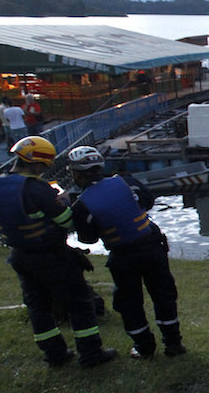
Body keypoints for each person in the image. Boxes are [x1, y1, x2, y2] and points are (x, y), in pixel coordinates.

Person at [0, 136, 117, 368]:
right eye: (44, 166)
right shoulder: (37, 189)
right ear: (37, 163)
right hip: (51, 255)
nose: (44, 171)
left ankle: (55, 354)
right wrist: (66, 202)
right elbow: (66, 222)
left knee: (37, 305)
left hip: (19, 255)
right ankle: (91, 354)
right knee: (80, 302)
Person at [68, 146, 185, 359]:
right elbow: (148, 201)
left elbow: (88, 238)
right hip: (152, 246)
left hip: (123, 256)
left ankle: (144, 347)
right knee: (164, 294)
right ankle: (173, 343)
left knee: (129, 302)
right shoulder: (126, 182)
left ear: (77, 173)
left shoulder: (82, 205)